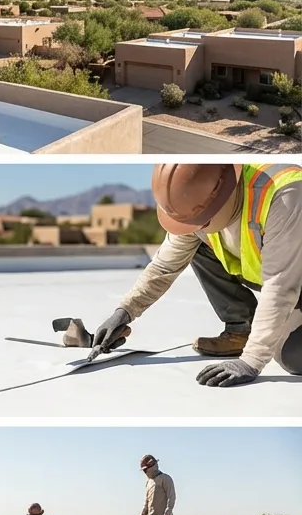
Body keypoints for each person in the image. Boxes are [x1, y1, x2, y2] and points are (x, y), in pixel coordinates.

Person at [91, 163, 302, 388]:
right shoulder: (196, 203)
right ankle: (242, 329)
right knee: (195, 245)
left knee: (295, 358)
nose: (193, 226)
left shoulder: (284, 194)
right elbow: (164, 267)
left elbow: (280, 286)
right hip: (283, 277)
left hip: (292, 277)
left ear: (222, 193)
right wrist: (124, 312)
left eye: (199, 219)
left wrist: (251, 360)